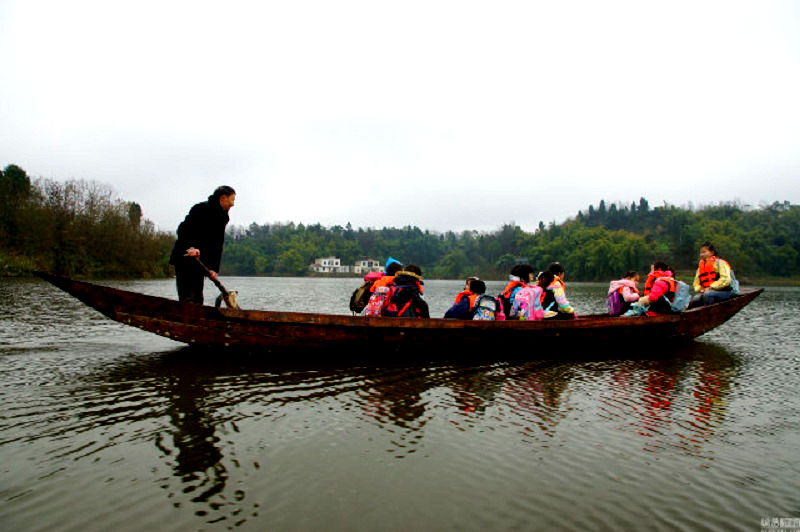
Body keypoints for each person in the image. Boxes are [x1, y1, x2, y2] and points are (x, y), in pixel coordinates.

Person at [169, 185, 236, 303]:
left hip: (199, 262)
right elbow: (183, 230)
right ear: (223, 198)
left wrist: (214, 268)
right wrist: (191, 247)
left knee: (198, 299)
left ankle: (194, 319)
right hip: (186, 257)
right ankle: (187, 319)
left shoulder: (223, 217)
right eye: (232, 200)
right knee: (188, 298)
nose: (233, 204)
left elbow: (217, 244)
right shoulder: (200, 209)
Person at [691, 242, 736, 306]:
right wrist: (700, 289)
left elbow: (726, 280)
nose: (701, 254)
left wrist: (710, 287)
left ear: (712, 253)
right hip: (708, 292)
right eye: (701, 252)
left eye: (704, 252)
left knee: (708, 295)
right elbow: (696, 283)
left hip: (725, 292)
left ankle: (709, 313)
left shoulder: (720, 263)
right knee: (695, 299)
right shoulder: (700, 268)